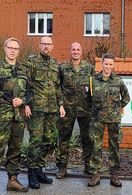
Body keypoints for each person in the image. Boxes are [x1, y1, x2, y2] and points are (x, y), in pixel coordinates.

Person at [25, 36, 66, 189]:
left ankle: (39, 170)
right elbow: (26, 84)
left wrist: (61, 105)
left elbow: (57, 87)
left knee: (48, 140)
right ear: (39, 45)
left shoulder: (56, 64)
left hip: (51, 109)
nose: (46, 46)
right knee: (36, 141)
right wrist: (27, 104)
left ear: (52, 46)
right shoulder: (32, 62)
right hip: (36, 109)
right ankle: (31, 173)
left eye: (49, 44)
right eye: (44, 44)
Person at [87, 53, 130, 187]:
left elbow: (126, 97)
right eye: (106, 64)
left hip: (114, 119)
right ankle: (95, 175)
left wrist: (118, 108)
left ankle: (114, 175)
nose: (108, 67)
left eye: (111, 64)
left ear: (113, 65)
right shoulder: (93, 80)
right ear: (102, 64)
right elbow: (88, 98)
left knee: (114, 147)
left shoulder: (118, 80)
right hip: (97, 119)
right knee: (95, 146)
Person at [56, 42, 95, 178]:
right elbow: (57, 87)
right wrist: (60, 104)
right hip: (67, 109)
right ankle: (62, 167)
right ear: (70, 51)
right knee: (64, 138)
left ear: (81, 52)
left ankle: (88, 166)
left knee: (87, 139)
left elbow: (93, 88)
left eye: (78, 49)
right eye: (73, 49)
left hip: (85, 109)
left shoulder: (89, 68)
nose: (76, 52)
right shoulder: (62, 68)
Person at [0, 38, 29, 192]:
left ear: (19, 51)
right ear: (4, 48)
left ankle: (12, 180)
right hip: (2, 116)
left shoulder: (24, 69)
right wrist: (8, 100)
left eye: (15, 48)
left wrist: (23, 100)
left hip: (18, 117)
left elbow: (31, 91)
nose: (12, 50)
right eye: (10, 47)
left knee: (15, 149)